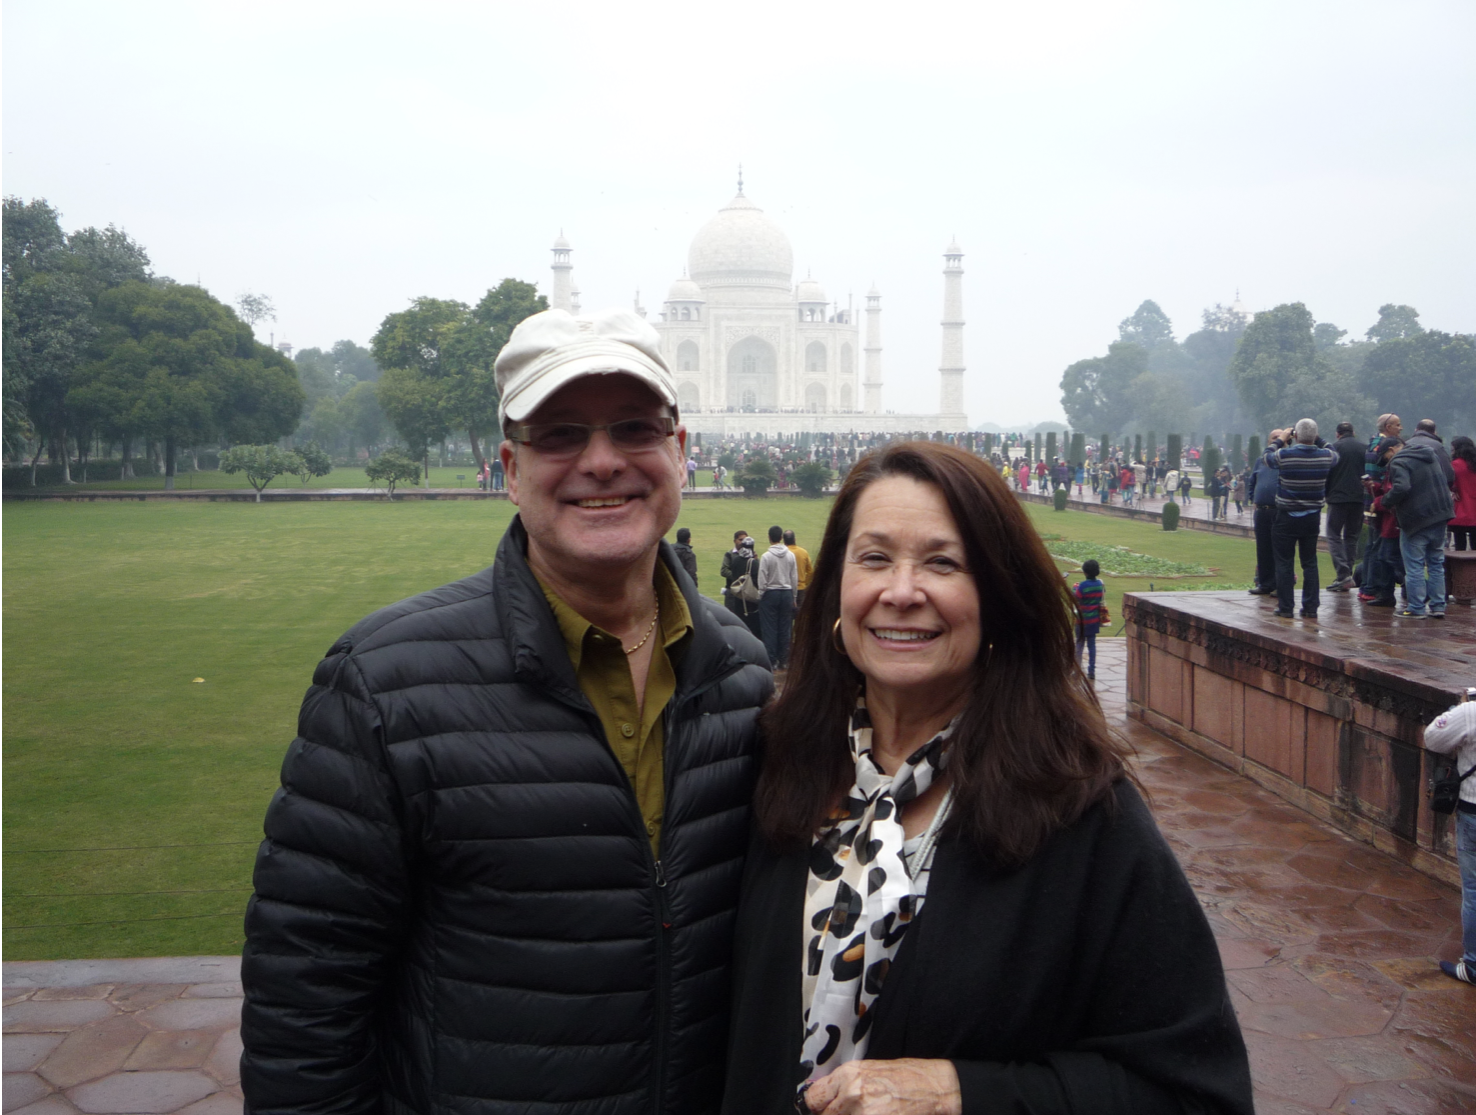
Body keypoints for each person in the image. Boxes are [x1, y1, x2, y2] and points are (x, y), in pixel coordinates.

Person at [240, 307, 773, 1112]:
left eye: (634, 427)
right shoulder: (388, 685)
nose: (602, 462)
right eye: (559, 434)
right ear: (511, 468)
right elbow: (306, 1003)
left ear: (680, 451)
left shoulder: (737, 671)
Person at [722, 441, 1253, 1115]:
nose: (902, 590)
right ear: (835, 590)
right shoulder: (782, 762)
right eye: (875, 557)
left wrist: (963, 1093)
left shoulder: (1074, 810)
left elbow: (1196, 1092)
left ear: (997, 597)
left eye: (943, 562)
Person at [1424, 691, 1476, 987]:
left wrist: (1459, 709)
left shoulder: (1471, 713)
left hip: (1474, 814)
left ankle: (1473, 966)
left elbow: (1433, 738)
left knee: (1474, 890)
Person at [1264, 419, 1333, 619]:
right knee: (1310, 562)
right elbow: (1334, 450)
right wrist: (1317, 438)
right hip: (1311, 516)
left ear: (1295, 436)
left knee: (1284, 562)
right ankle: (1311, 607)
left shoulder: (1286, 454)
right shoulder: (1326, 456)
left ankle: (1286, 607)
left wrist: (1281, 439)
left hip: (1287, 515)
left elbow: (1267, 458)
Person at [1384, 432, 1455, 618]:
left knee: (1414, 566)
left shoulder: (1399, 462)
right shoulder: (1430, 455)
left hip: (1416, 519)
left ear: (1391, 450)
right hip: (1440, 514)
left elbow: (1402, 487)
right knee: (1436, 563)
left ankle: (1416, 608)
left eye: (1385, 458)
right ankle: (1439, 606)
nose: (1386, 463)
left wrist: (1386, 501)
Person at [1324, 421, 1368, 591]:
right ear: (1353, 432)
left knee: (1333, 534)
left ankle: (1343, 574)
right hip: (1358, 498)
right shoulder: (1364, 448)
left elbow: (1327, 474)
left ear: (1337, 434)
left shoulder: (1333, 449)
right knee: (1351, 537)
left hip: (1337, 498)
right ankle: (1347, 573)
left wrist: (1326, 493)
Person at [758, 524, 799, 668]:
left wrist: (761, 594)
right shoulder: (790, 555)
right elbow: (794, 577)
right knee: (785, 627)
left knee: (770, 628)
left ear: (769, 538)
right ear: (781, 538)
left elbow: (762, 578)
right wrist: (794, 597)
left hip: (770, 592)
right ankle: (784, 659)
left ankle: (772, 660)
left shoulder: (766, 556)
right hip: (787, 592)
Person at [1074, 558, 1105, 681]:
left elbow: (1076, 597)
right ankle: (1091, 670)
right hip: (1094, 620)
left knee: (1079, 644)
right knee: (1092, 646)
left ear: (1085, 572)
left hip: (1081, 621)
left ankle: (1077, 670)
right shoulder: (1099, 585)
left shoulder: (1083, 586)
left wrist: (1074, 588)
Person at [1449, 436, 1476, 551]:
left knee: (1460, 545)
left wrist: (1454, 489)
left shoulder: (1455, 465)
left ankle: (1459, 568)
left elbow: (1449, 481)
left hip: (1461, 508)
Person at [785, 529, 813, 611]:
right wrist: (804, 582)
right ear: (795, 539)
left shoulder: (783, 554)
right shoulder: (803, 552)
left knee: (787, 616)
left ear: (784, 541)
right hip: (801, 588)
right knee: (801, 616)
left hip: (787, 589)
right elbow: (810, 572)